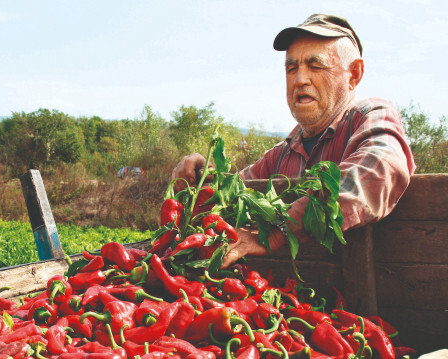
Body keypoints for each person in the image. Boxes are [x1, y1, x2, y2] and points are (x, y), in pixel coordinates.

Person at [172, 14, 416, 267]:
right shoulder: (282, 154)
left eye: (315, 66)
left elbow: (380, 167)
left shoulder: (371, 116)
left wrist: (280, 230)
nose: (300, 79)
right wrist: (199, 179)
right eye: (292, 68)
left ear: (353, 74)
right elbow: (231, 195)